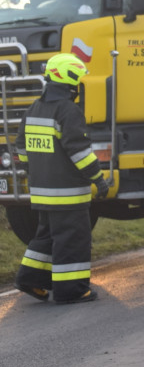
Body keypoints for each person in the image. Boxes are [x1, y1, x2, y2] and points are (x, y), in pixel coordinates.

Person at [14, 53, 110, 305]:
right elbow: (79, 152)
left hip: (42, 192)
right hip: (68, 194)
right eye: (78, 80)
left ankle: (30, 279)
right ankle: (72, 291)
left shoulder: (34, 108)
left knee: (46, 236)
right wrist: (98, 179)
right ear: (70, 81)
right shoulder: (68, 111)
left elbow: (21, 147)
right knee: (72, 240)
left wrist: (35, 168)